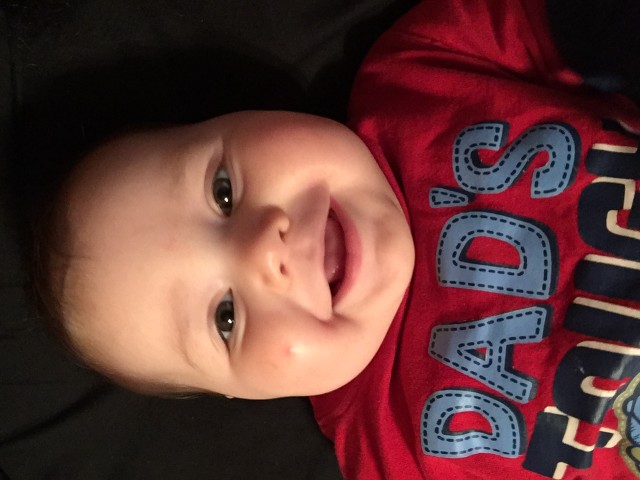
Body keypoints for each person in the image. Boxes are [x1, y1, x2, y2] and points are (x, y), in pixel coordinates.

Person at [34, 0, 640, 478]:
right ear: (248, 395)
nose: (260, 251)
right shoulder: (388, 454)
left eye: (223, 192)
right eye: (225, 318)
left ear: (242, 114)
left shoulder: (425, 66)